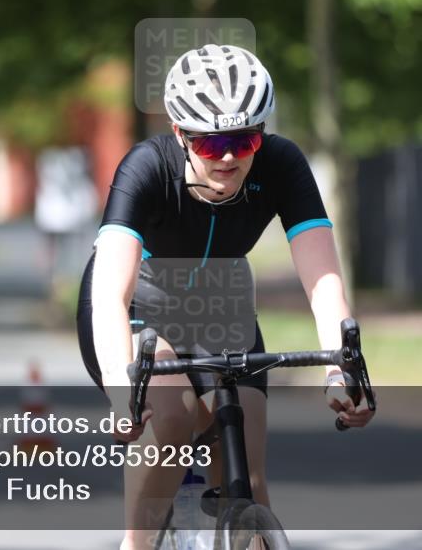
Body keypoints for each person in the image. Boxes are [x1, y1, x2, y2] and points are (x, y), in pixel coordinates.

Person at [76, 44, 374, 550]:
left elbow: (323, 280)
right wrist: (122, 393)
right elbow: (109, 295)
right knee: (171, 419)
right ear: (180, 135)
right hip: (138, 307)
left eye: (245, 138)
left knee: (249, 475)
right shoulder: (146, 167)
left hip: (222, 303)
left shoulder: (281, 165)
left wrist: (340, 371)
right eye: (213, 145)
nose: (232, 156)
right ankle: (137, 544)